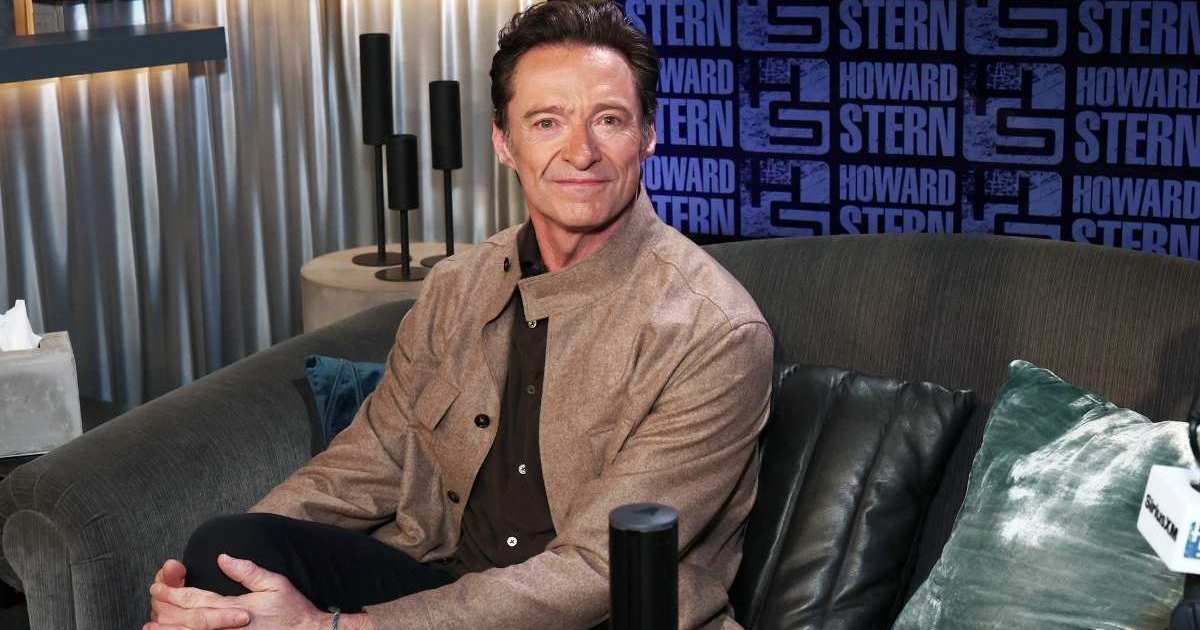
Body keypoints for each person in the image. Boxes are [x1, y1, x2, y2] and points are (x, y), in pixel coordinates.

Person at [145, 1, 772, 628]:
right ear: (504, 142)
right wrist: (213, 589)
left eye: (608, 120)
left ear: (649, 135)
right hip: (443, 584)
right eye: (547, 122)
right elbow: (370, 460)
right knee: (229, 550)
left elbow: (598, 571)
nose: (581, 152)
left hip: (601, 615)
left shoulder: (713, 331)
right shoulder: (457, 288)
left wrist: (336, 627)